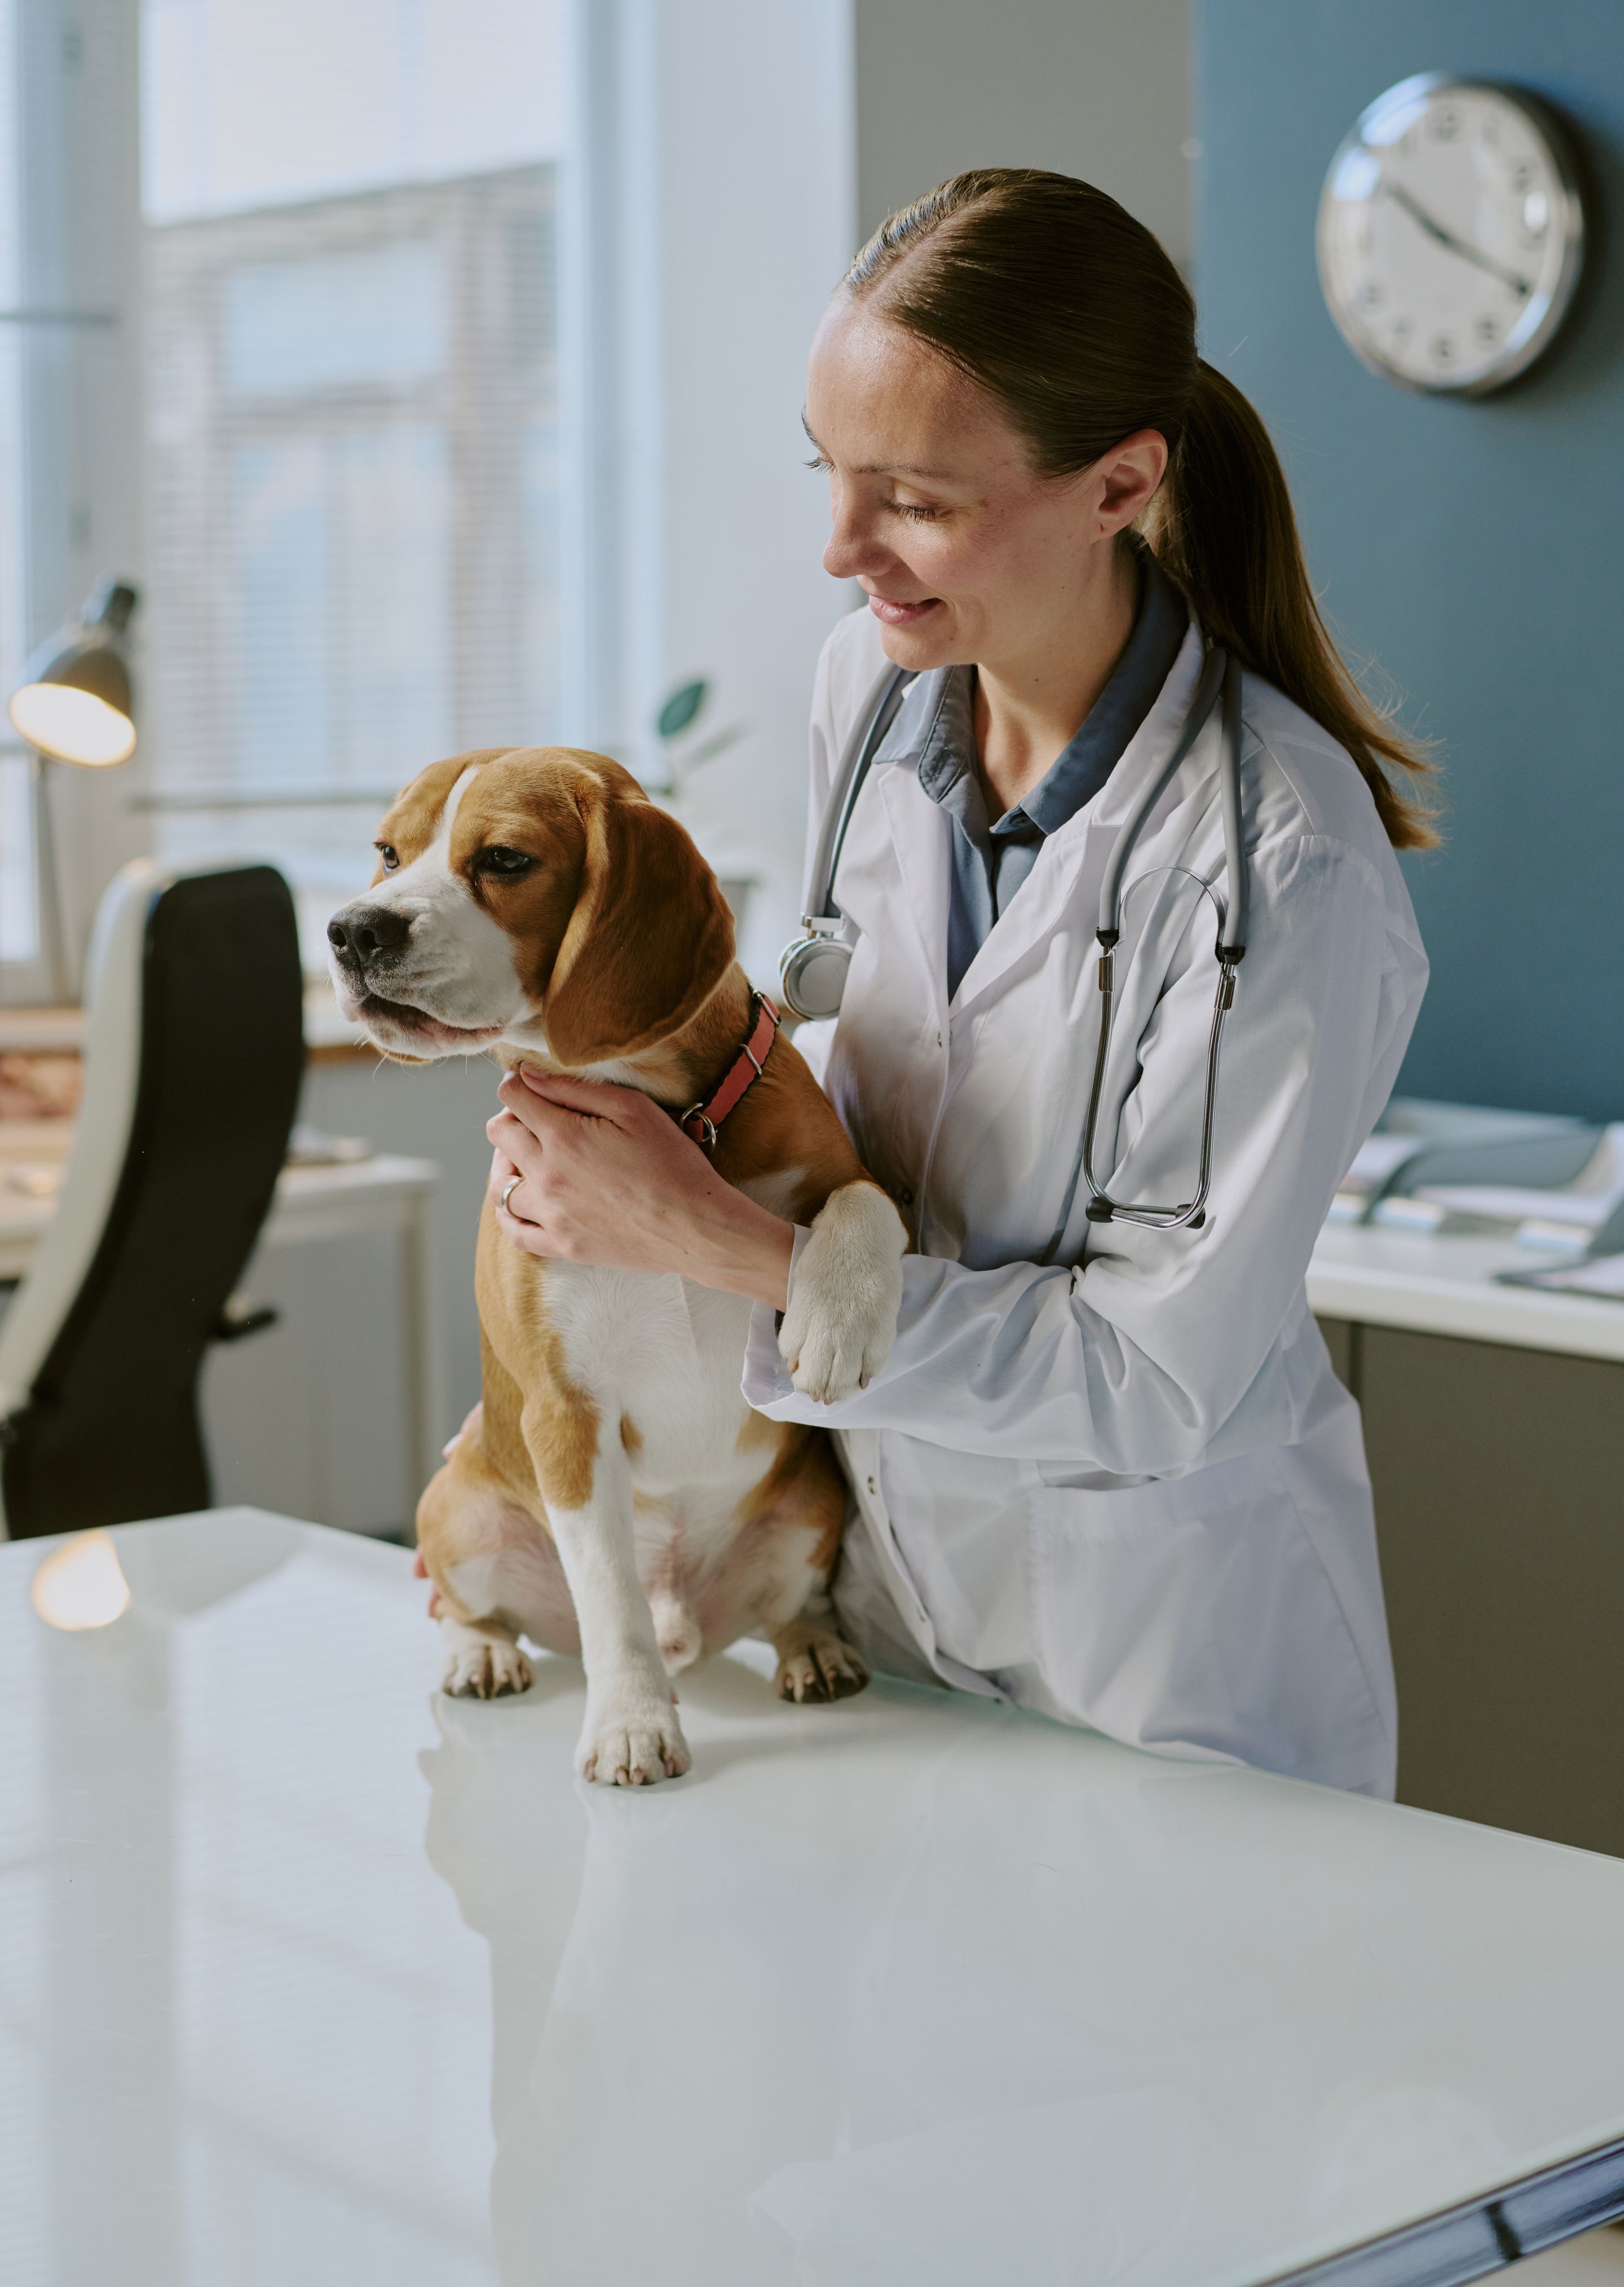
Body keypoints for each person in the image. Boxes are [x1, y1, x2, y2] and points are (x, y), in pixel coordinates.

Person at [485, 169, 1432, 1797]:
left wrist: (716, 1240)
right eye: (830, 473)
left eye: (914, 500)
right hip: (889, 1609)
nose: (842, 550)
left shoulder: (1282, 859)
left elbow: (1152, 1376)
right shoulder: (871, 683)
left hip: (1158, 1658)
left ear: (1119, 485)